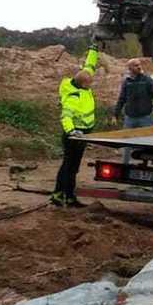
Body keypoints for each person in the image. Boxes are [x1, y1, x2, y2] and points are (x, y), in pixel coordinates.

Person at [51, 46, 101, 207]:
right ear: (82, 85)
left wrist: (94, 49)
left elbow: (90, 65)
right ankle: (63, 196)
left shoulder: (82, 79)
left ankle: (65, 195)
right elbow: (66, 116)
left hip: (82, 134)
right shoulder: (73, 96)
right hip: (74, 136)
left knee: (72, 166)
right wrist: (71, 131)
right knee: (69, 166)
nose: (91, 86)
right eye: (89, 84)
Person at [114, 60, 153, 129]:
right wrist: (115, 115)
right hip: (130, 118)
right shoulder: (126, 82)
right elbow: (121, 99)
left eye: (139, 65)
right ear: (130, 68)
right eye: (136, 65)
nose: (139, 67)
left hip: (145, 118)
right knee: (128, 138)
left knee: (148, 138)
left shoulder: (147, 80)